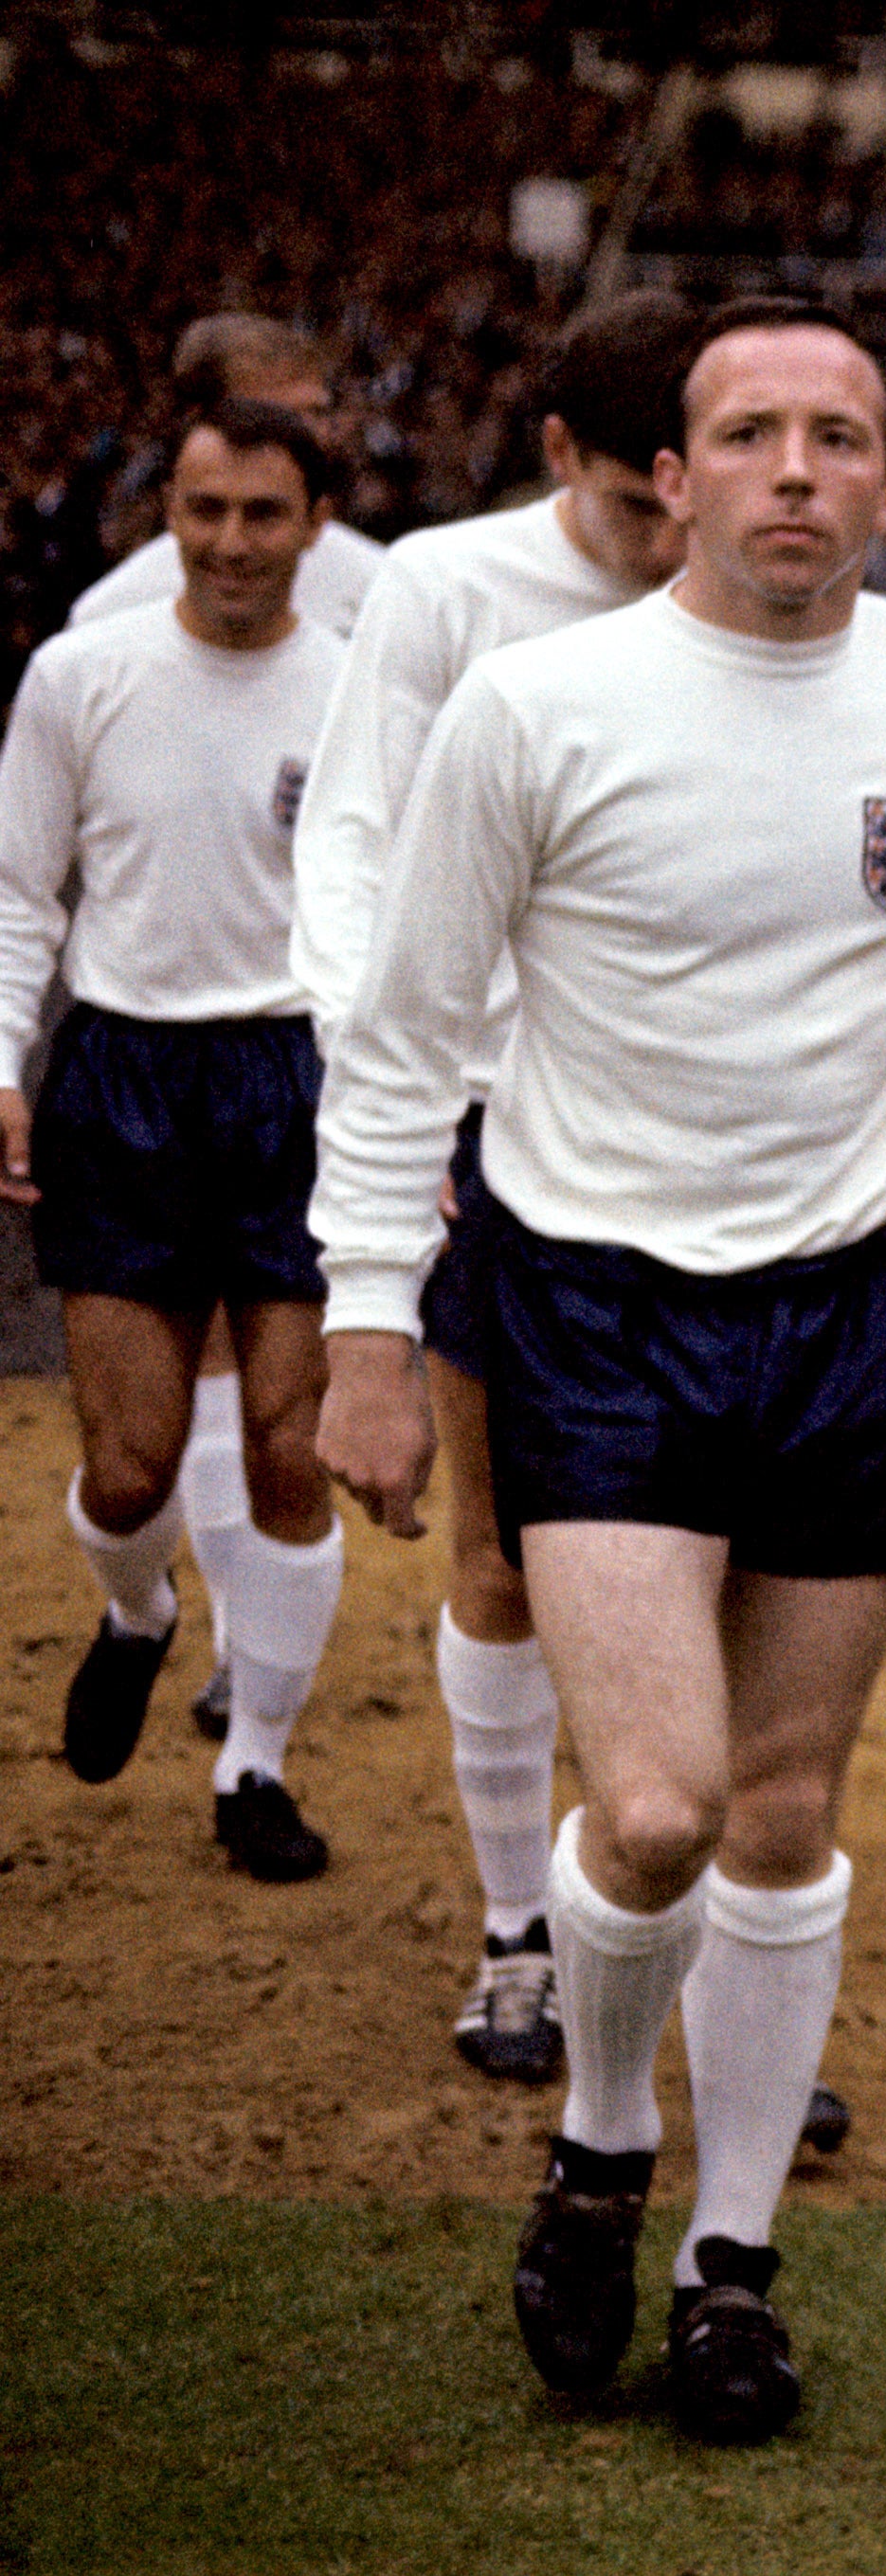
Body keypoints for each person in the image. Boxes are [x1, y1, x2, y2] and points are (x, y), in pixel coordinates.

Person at [311, 299, 886, 2443]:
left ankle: (732, 2266)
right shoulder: (535, 707)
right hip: (602, 1300)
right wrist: (364, 1319)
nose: (796, 470)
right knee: (655, 1804)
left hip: (869, 1301)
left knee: (790, 1816)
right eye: (752, 435)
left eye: (841, 438)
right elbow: (411, 1025)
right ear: (674, 481)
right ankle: (600, 2143)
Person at [287, 284, 701, 2086]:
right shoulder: (446, 593)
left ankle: (676, 1940)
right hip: (489, 1140)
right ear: (558, 458)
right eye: (634, 501)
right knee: (508, 1556)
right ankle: (518, 1934)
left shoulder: (782, 589)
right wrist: (403, 1106)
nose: (672, 533)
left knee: (717, 1575)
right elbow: (357, 845)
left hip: (709, 1151)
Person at [0, 401, 355, 1879]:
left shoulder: (357, 691)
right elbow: (22, 888)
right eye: (204, 510)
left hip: (297, 1081)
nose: (229, 543)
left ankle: (255, 1761)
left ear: (314, 526)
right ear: (169, 512)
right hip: (126, 1077)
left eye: (262, 514)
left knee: (289, 1445)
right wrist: (3, 1057)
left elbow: (400, 918)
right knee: (134, 1467)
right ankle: (141, 1611)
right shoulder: (80, 674)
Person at [70, 315, 387, 638]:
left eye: (317, 413)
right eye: (281, 418)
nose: (313, 436)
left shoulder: (381, 588)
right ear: (201, 423)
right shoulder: (112, 615)